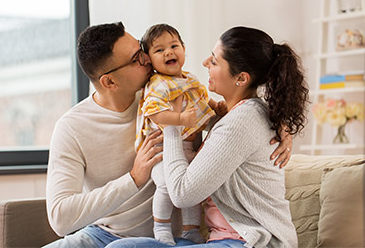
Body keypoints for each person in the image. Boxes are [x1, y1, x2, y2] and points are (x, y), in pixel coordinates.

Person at [44, 22, 293, 248]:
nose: (148, 59)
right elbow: (60, 218)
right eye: (136, 59)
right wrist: (134, 178)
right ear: (109, 82)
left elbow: (237, 118)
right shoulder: (72, 127)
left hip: (171, 238)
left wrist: (281, 123)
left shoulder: (173, 96)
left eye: (142, 50)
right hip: (102, 233)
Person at [106, 26, 309, 248]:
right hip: (225, 241)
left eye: (214, 61)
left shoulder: (241, 121)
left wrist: (172, 125)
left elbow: (182, 195)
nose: (204, 63)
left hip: (253, 242)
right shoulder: (238, 114)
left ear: (241, 78)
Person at [136, 24, 226, 245]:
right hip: (161, 152)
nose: (168, 52)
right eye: (159, 50)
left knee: (192, 189)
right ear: (149, 60)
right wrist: (179, 120)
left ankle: (190, 230)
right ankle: (161, 226)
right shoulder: (158, 84)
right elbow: (156, 114)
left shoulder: (190, 79)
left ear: (184, 49)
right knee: (166, 185)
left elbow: (202, 102)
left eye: (174, 45)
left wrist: (216, 107)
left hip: (187, 150)